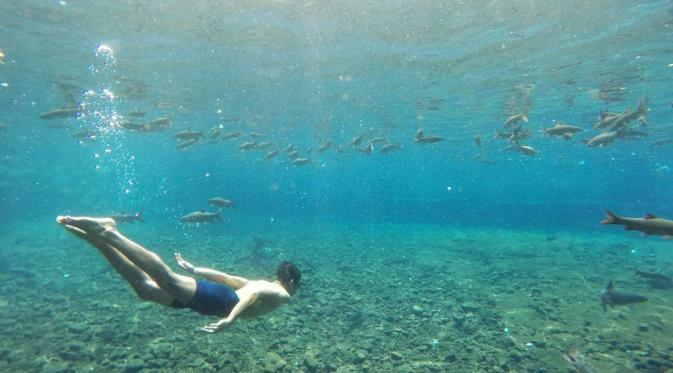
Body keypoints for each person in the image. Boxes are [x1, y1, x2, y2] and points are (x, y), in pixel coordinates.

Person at [56, 215, 300, 333]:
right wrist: (231, 320)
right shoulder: (281, 292)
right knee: (166, 278)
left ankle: (100, 242)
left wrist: (194, 269)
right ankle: (109, 231)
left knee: (146, 289)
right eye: (295, 286)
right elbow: (253, 294)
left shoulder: (262, 283)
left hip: (217, 300)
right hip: (221, 302)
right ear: (290, 281)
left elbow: (226, 278)